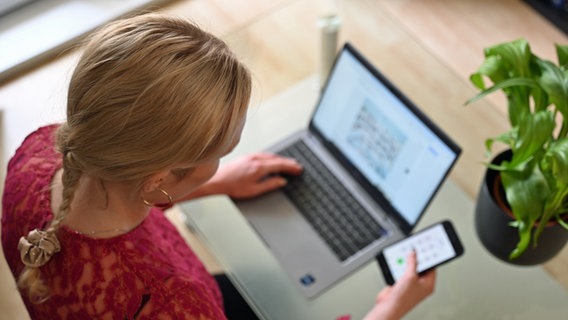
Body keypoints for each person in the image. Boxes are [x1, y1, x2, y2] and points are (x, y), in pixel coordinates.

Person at [1, 13, 435, 319]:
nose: (222, 158)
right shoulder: (175, 302)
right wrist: (389, 308)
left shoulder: (40, 152)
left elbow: (113, 197)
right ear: (159, 177)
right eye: (219, 153)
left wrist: (215, 182)